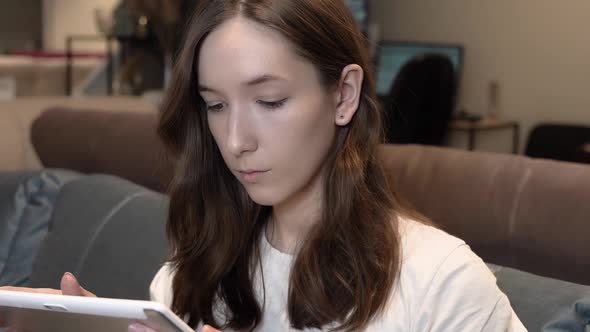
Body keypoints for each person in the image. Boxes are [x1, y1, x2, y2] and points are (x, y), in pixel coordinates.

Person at [1, 0, 527, 331]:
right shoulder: (189, 277)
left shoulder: (440, 281)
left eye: (270, 101)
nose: (235, 141)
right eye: (215, 105)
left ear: (344, 95)